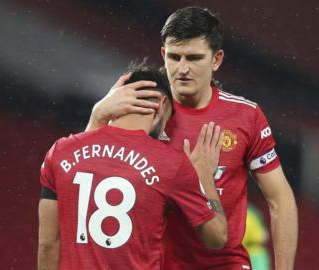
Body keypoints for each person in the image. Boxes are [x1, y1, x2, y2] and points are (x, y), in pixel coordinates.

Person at [87, 6, 298, 270]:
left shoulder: (246, 116)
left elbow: (280, 198)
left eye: (194, 58)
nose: (182, 68)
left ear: (216, 60)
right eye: (175, 57)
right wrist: (97, 117)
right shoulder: (141, 107)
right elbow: (87, 176)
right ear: (163, 55)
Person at [38, 64, 227, 269]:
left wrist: (97, 116)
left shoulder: (61, 151)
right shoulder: (170, 164)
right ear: (162, 104)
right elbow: (217, 237)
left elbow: (48, 244)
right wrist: (205, 177)